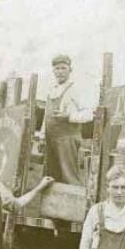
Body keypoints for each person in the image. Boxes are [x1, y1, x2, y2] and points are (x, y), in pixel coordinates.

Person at [42, 55, 94, 185]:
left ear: (70, 70)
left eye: (63, 68)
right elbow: (46, 116)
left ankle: (74, 203)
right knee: (51, 175)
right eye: (57, 68)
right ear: (53, 71)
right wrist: (43, 136)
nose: (60, 71)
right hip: (51, 139)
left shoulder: (76, 90)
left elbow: (89, 114)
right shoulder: (51, 91)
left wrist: (69, 116)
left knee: (69, 176)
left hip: (68, 139)